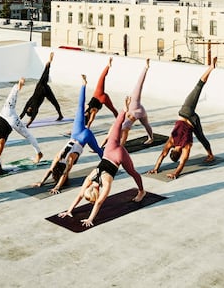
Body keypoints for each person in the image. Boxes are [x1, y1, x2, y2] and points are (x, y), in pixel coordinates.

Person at [58, 97, 146, 228]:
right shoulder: (90, 177)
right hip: (109, 151)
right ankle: (123, 110)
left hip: (117, 156)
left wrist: (89, 219)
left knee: (132, 171)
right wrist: (69, 210)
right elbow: (81, 195)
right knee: (116, 127)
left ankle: (142, 191)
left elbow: (98, 203)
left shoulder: (106, 182)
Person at [148, 57, 217, 179]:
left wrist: (175, 173)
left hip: (193, 121)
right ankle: (210, 68)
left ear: (178, 152)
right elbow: (163, 154)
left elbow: (182, 162)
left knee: (201, 138)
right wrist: (156, 167)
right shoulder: (172, 142)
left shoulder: (186, 147)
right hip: (185, 112)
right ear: (174, 150)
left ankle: (210, 155)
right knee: (198, 87)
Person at [33, 75, 103, 194]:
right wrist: (42, 181)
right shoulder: (58, 157)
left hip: (84, 137)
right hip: (76, 133)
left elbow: (64, 173)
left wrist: (55, 186)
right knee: (80, 108)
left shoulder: (70, 160)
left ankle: (108, 166)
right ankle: (83, 84)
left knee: (99, 151)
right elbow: (52, 170)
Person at [101, 58, 154, 147]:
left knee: (145, 124)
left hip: (136, 111)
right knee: (146, 124)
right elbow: (139, 84)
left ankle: (151, 138)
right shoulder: (131, 103)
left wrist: (99, 147)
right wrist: (146, 68)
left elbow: (109, 138)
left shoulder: (122, 127)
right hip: (140, 111)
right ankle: (151, 138)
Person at [0, 77, 43, 163]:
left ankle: (39, 153)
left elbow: (15, 92)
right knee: (27, 135)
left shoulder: (10, 102)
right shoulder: (10, 99)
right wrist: (20, 84)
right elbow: (15, 92)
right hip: (6, 115)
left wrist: (20, 84)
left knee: (28, 135)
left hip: (9, 116)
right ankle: (39, 153)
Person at [20, 52, 63, 127]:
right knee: (54, 102)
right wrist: (27, 125)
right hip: (45, 91)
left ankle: (49, 63)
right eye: (30, 110)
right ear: (32, 111)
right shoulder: (35, 109)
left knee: (44, 76)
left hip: (39, 87)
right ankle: (49, 63)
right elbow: (32, 118)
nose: (29, 108)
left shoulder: (28, 104)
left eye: (28, 109)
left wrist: (17, 121)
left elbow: (22, 113)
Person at [84, 57, 118, 128]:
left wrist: (87, 126)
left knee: (113, 110)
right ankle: (108, 66)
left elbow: (87, 120)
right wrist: (88, 126)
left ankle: (108, 66)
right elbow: (90, 120)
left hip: (100, 97)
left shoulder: (88, 111)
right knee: (101, 78)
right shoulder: (90, 112)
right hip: (99, 96)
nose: (86, 114)